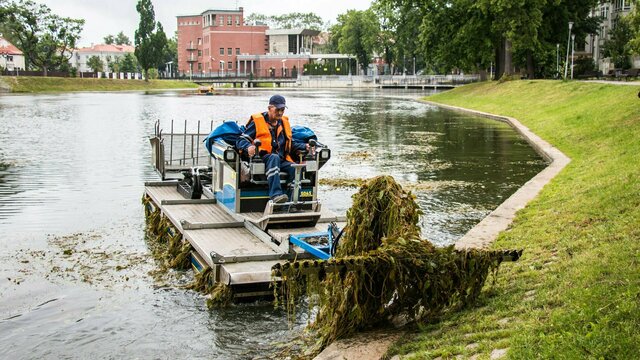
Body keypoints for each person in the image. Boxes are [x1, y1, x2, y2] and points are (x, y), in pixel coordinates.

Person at [236, 95, 308, 204]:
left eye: (282, 110)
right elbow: (240, 140)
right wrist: (248, 147)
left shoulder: (283, 123)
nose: (280, 113)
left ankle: (292, 201)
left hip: (280, 159)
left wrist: (305, 146)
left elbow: (290, 143)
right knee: (274, 157)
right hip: (262, 158)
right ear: (269, 108)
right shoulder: (257, 122)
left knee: (295, 168)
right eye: (277, 109)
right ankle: (275, 195)